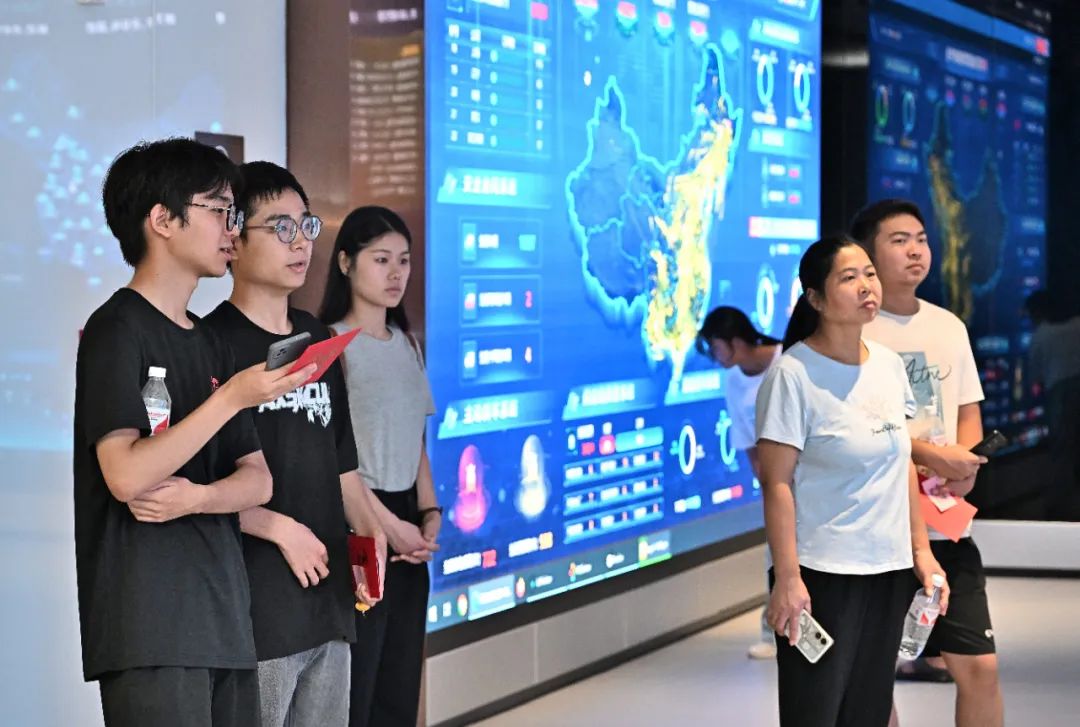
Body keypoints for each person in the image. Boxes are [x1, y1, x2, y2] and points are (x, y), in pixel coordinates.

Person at [74, 138, 316, 727]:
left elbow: (257, 481)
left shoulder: (207, 340)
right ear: (162, 220)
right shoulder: (116, 329)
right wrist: (230, 397)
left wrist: (199, 498)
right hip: (150, 628)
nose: (232, 229)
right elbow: (126, 473)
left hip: (225, 621)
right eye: (219, 210)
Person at [203, 162, 386, 726]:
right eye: (280, 227)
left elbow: (341, 463)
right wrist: (278, 528)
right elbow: (192, 488)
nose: (300, 242)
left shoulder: (317, 336)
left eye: (306, 225)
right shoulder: (210, 342)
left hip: (329, 603)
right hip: (257, 611)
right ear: (234, 238)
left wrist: (370, 534)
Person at [756, 235, 948, 727]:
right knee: (815, 711)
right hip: (822, 575)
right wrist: (788, 578)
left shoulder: (887, 365)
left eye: (869, 273)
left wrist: (921, 553)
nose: (866, 286)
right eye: (849, 277)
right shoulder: (793, 375)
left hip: (888, 569)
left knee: (869, 711)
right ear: (816, 299)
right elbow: (776, 483)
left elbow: (902, 464)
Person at [852, 198, 1003, 727]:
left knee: (979, 667)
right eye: (899, 241)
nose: (916, 250)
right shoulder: (854, 332)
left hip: (944, 522)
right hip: (877, 526)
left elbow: (967, 410)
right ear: (867, 255)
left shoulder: (948, 326)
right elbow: (858, 427)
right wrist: (931, 454)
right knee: (871, 678)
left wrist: (965, 467)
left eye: (920, 239)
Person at [318, 206, 440, 727]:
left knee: (399, 687)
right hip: (359, 527)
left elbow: (416, 441)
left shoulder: (409, 345)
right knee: (359, 688)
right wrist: (390, 528)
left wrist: (430, 513)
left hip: (409, 527)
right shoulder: (330, 346)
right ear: (346, 262)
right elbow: (330, 460)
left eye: (404, 261)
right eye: (381, 259)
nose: (396, 273)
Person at [696, 306, 782, 659]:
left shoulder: (788, 360)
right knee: (777, 558)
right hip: (779, 487)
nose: (715, 356)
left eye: (716, 347)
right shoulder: (733, 381)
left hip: (813, 480)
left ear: (735, 341)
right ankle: (774, 634)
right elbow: (748, 441)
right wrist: (772, 490)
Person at [1025, 290, 1080, 520]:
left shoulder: (1041, 336)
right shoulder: (1077, 326)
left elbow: (1034, 378)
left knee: (1062, 451)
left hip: (1060, 395)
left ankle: (1059, 506)